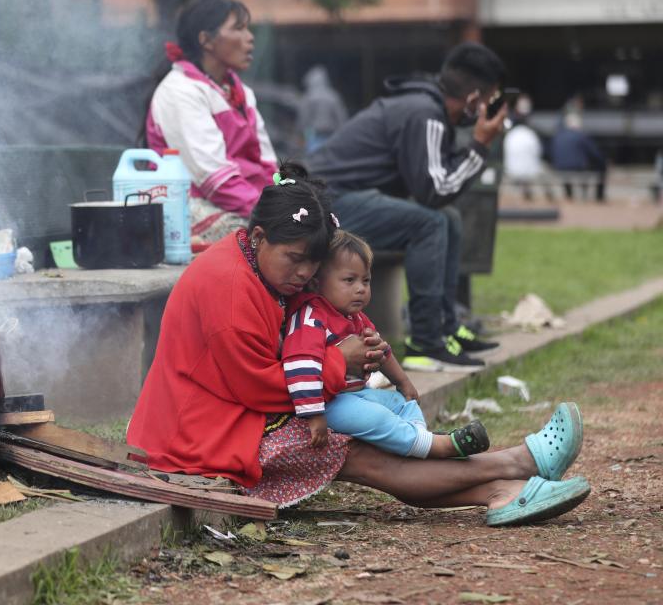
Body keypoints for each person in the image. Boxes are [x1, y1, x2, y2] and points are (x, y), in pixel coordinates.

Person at [127, 160, 591, 526]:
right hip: (196, 436)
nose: (305, 274)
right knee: (351, 447)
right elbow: (256, 387)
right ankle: (513, 468)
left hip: (234, 413)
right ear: (260, 237)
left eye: (312, 263)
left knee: (362, 434)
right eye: (294, 260)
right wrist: (336, 363)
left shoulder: (259, 266)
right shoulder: (229, 291)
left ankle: (504, 483)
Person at [305, 42, 508, 373]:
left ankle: (445, 327)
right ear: (474, 98)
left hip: (342, 197)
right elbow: (434, 191)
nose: (492, 107)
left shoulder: (425, 109)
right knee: (429, 222)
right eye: (492, 98)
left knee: (448, 218)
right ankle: (424, 342)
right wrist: (481, 145)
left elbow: (435, 186)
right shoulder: (425, 114)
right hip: (325, 203)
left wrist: (474, 148)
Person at [283, 228, 489, 459]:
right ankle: (434, 447)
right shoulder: (310, 318)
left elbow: (382, 351)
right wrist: (314, 414)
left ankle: (419, 439)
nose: (360, 288)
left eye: (366, 280)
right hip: (329, 403)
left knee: (402, 403)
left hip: (359, 393)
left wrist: (402, 381)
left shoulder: (356, 318)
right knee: (378, 418)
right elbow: (300, 367)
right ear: (316, 282)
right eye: (349, 280)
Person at [145, 0, 278, 245]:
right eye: (238, 28)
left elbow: (270, 167)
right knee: (275, 239)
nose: (250, 37)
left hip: (243, 203)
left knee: (310, 228)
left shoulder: (242, 95)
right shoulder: (180, 91)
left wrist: (287, 198)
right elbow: (216, 181)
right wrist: (276, 215)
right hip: (188, 206)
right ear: (205, 39)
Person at [550, 112, 607, 202]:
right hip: (578, 167)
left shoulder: (558, 135)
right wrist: (602, 162)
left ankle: (569, 195)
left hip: (560, 167)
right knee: (598, 168)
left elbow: (552, 153)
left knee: (569, 169)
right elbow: (594, 153)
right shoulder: (581, 136)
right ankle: (593, 196)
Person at [503, 94, 550, 201]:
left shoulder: (515, 133)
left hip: (513, 171)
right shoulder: (528, 133)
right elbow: (539, 153)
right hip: (526, 172)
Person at [297, 65, 348, 153]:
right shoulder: (333, 96)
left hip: (314, 136)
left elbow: (303, 119)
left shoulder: (308, 97)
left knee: (314, 160)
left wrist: (300, 133)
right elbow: (342, 118)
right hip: (332, 136)